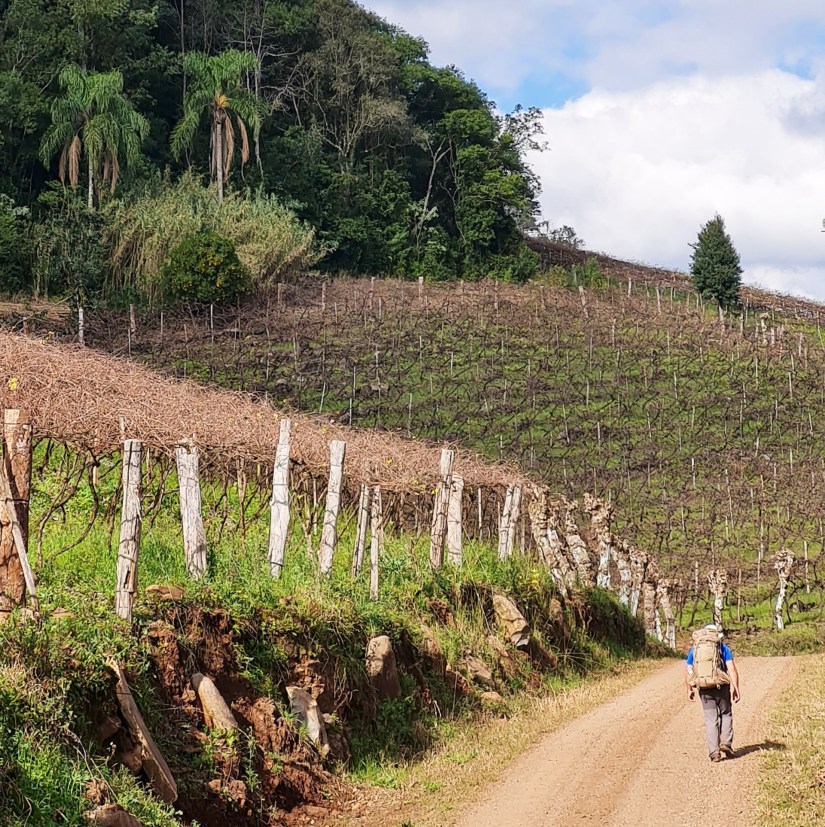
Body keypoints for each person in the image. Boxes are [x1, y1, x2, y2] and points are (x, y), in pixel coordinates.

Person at [685, 623, 741, 762]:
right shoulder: (723, 647)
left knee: (711, 720)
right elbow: (731, 669)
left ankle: (714, 753)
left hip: (703, 688)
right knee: (726, 713)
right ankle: (726, 743)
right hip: (721, 687)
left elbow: (689, 669)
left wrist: (689, 688)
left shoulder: (695, 648)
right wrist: (736, 687)